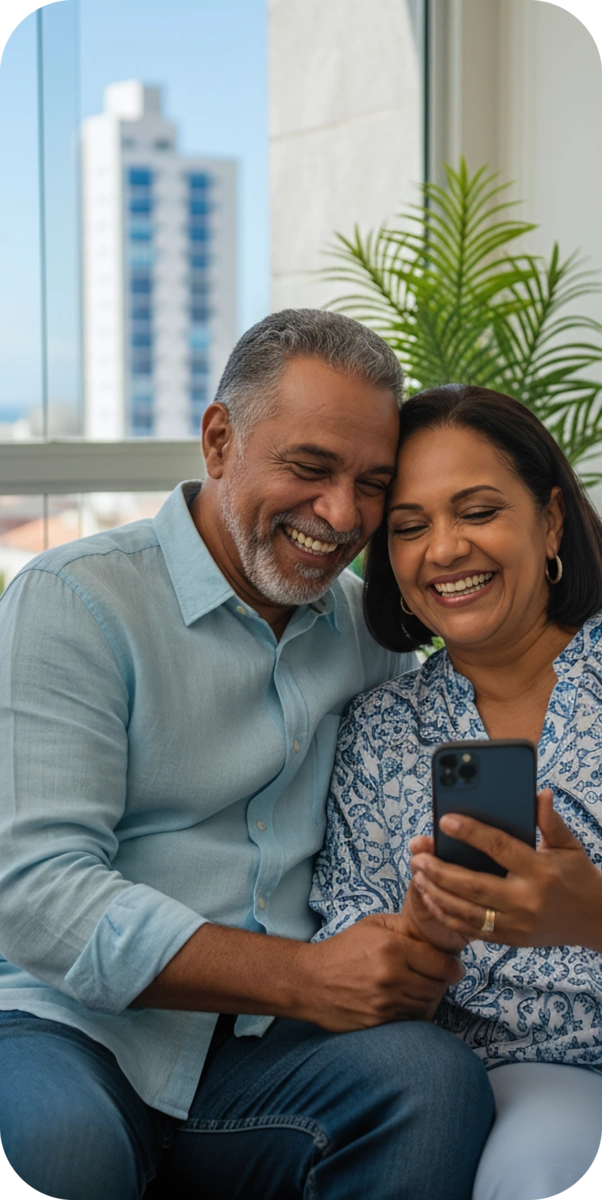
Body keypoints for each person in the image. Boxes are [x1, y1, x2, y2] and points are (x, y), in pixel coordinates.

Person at [0, 314, 494, 1200]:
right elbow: (36, 896)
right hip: (72, 1029)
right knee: (63, 1146)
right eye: (309, 468)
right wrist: (304, 978)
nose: (342, 516)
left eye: (371, 483)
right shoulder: (73, 600)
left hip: (269, 1056)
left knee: (432, 1080)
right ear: (220, 440)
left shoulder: (369, 634)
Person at [310, 382, 602, 1200]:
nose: (443, 550)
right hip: (474, 1080)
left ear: (549, 521)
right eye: (409, 527)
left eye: (476, 512)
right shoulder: (378, 729)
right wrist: (421, 939)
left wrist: (591, 916)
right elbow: (353, 966)